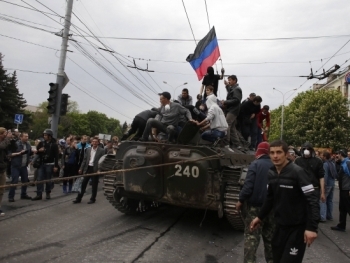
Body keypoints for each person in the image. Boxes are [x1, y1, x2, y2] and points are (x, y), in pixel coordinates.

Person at [250, 140, 319, 263]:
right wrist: (260, 217)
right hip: (279, 227)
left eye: (279, 152)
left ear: (286, 154)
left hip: (296, 230)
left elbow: (312, 200)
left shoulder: (298, 172)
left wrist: (312, 228)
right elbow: (270, 198)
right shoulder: (271, 172)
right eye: (272, 153)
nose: (275, 156)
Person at [236, 142, 275, 263]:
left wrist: (240, 200)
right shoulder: (277, 165)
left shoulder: (255, 164)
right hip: (273, 209)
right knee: (270, 240)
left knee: (251, 238)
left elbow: (248, 186)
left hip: (256, 208)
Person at [73, 137, 105, 204]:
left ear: (98, 143)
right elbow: (84, 160)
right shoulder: (88, 149)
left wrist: (99, 170)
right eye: (93, 141)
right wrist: (81, 168)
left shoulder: (101, 150)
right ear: (91, 142)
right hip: (88, 168)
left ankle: (93, 199)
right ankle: (78, 198)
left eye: (96, 142)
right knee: (83, 184)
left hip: (95, 169)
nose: (94, 143)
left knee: (94, 185)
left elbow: (103, 161)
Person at [294, 142, 325, 210]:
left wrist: (322, 193)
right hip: (301, 189)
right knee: (301, 209)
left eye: (308, 149)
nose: (306, 150)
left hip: (314, 188)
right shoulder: (298, 161)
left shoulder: (318, 161)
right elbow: (294, 176)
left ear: (311, 150)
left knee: (314, 209)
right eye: (304, 149)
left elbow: (321, 177)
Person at [32, 129, 59, 201]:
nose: (44, 136)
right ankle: (39, 194)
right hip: (42, 163)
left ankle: (48, 192)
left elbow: (56, 156)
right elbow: (37, 152)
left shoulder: (54, 145)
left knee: (48, 179)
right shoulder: (41, 143)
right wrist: (39, 151)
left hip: (50, 164)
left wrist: (56, 166)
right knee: (39, 179)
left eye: (46, 135)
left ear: (50, 136)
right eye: (44, 135)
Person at [8, 132, 34, 202]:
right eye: (25, 136)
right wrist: (19, 153)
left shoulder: (28, 145)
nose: (27, 138)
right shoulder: (16, 144)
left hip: (24, 166)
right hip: (16, 165)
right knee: (14, 181)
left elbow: (29, 154)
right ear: (21, 137)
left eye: (27, 136)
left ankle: (23, 194)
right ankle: (11, 196)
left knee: (25, 180)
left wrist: (30, 160)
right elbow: (9, 154)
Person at [221, 75, 244, 148]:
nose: (229, 81)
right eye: (228, 80)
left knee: (226, 124)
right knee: (232, 128)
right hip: (232, 110)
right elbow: (230, 92)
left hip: (233, 110)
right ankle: (237, 144)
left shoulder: (237, 89)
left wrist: (226, 102)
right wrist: (227, 86)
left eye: (230, 80)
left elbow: (236, 100)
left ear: (235, 80)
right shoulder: (233, 88)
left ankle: (226, 143)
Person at [330, 149, 350, 232]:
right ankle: (341, 225)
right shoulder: (342, 163)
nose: (336, 155)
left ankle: (341, 225)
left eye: (338, 154)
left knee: (348, 208)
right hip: (343, 189)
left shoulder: (347, 163)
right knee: (342, 208)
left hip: (346, 189)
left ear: (341, 154)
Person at [0, 128, 16, 216]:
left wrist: (12, 140)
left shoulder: (6, 142)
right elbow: (1, 147)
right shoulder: (3, 143)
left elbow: (14, 148)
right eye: (5, 134)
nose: (6, 135)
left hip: (2, 169)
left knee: (1, 190)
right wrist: (7, 139)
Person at [321, 151, 337, 222]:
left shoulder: (325, 164)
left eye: (322, 155)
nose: (321, 156)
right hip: (332, 183)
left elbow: (325, 176)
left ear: (324, 157)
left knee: (323, 200)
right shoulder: (332, 163)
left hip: (327, 184)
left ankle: (322, 217)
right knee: (330, 200)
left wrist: (324, 186)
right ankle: (329, 215)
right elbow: (335, 174)